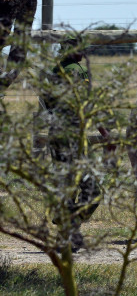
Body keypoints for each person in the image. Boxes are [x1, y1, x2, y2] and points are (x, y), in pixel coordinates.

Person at [42, 37, 100, 251]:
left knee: (67, 187)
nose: (84, 54)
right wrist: (104, 131)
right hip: (73, 136)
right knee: (93, 190)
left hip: (56, 134)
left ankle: (68, 232)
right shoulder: (76, 70)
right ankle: (69, 227)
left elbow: (46, 103)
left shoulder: (52, 70)